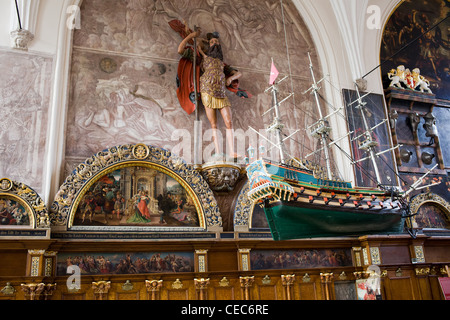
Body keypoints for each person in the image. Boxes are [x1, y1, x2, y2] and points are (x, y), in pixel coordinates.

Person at [197, 32, 242, 158]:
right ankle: (217, 152)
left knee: (229, 121)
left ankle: (232, 151)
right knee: (214, 124)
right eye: (212, 42)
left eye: (217, 42)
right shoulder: (204, 56)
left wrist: (231, 78)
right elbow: (198, 43)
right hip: (207, 90)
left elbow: (239, 74)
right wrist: (205, 39)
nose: (215, 44)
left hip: (221, 92)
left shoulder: (222, 64)